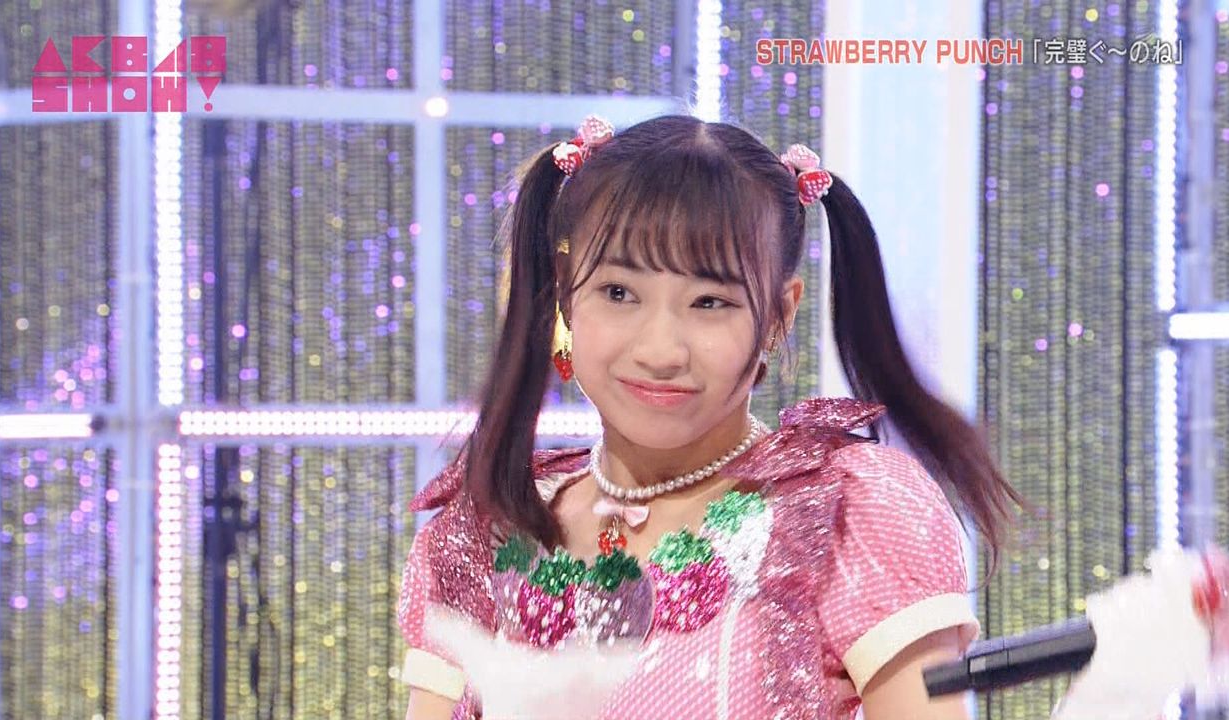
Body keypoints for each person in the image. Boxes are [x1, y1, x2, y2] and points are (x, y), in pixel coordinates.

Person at [396, 112, 1026, 720]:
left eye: (708, 302)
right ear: (564, 292)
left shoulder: (850, 510)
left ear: (778, 315)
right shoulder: (480, 532)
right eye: (619, 293)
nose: (660, 351)